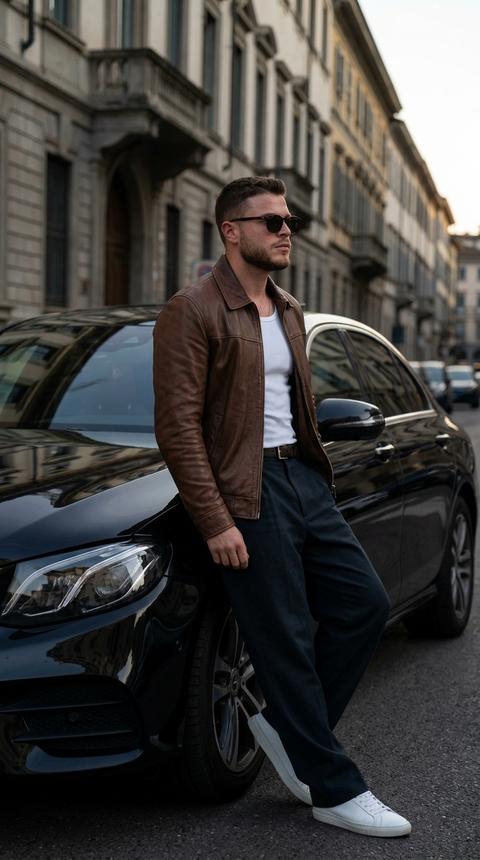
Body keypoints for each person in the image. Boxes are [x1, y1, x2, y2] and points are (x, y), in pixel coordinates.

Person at [153, 176, 411, 838]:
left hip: (302, 478)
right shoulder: (194, 308)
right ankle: (333, 788)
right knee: (286, 639)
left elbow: (294, 406)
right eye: (270, 221)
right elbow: (178, 425)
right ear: (230, 231)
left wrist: (314, 479)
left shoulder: (290, 307)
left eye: (287, 219)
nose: (285, 229)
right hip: (246, 489)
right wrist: (214, 519)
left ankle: (285, 728)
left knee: (363, 606)